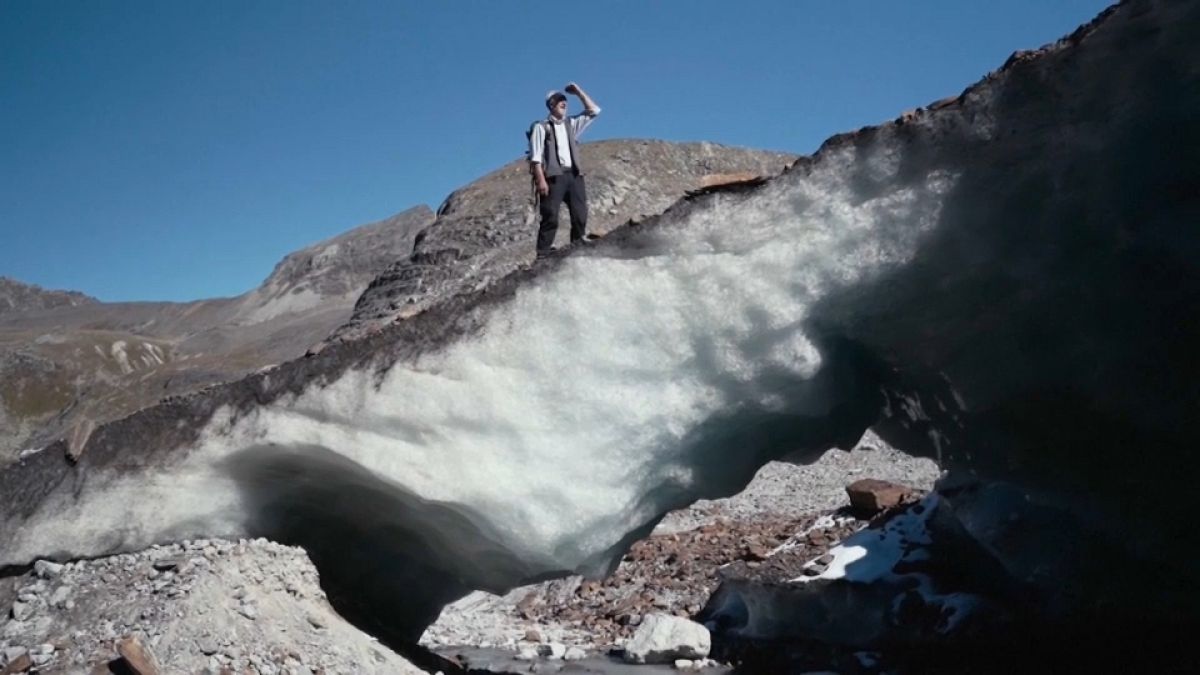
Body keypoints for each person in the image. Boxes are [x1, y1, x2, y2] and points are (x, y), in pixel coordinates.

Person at [528, 82, 601, 256]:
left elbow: (594, 111)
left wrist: (578, 92)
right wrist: (541, 180)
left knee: (580, 215)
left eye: (565, 100)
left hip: (574, 175)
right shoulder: (541, 127)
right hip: (553, 177)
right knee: (551, 216)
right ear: (551, 105)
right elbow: (536, 157)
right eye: (560, 100)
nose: (564, 102)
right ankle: (543, 254)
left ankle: (577, 250)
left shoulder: (571, 124)